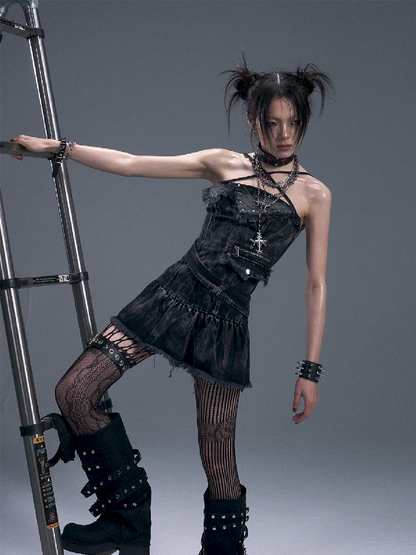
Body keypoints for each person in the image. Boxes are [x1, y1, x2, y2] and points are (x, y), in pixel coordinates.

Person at [12, 58, 332, 555]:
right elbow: (132, 163)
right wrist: (57, 148)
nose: (284, 135)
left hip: (225, 325)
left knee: (217, 452)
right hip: (171, 297)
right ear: (253, 121)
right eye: (272, 123)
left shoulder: (315, 194)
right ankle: (127, 515)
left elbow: (316, 284)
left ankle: (223, 550)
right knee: (74, 391)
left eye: (294, 123)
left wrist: (309, 371)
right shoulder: (223, 163)